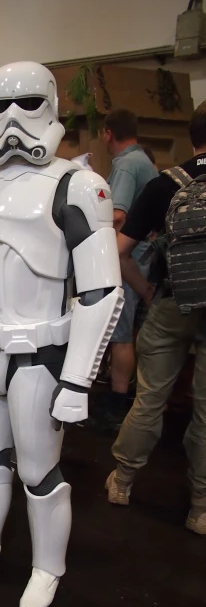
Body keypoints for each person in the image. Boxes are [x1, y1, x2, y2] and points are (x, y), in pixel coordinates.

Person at [0, 62, 123, 607]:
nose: (14, 118)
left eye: (28, 104)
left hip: (39, 352)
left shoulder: (78, 185)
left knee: (40, 471)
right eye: (0, 106)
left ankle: (48, 566)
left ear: (52, 109)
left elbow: (102, 292)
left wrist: (77, 379)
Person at [105, 101, 206, 534]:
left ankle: (122, 481)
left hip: (170, 302)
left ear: (192, 134)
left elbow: (119, 250)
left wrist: (148, 289)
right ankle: (201, 506)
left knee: (149, 398)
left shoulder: (168, 183)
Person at [89, 110, 157, 431]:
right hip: (144, 257)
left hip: (130, 259)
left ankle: (117, 405)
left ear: (108, 133)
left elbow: (117, 216)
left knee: (120, 333)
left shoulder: (127, 165)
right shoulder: (142, 160)